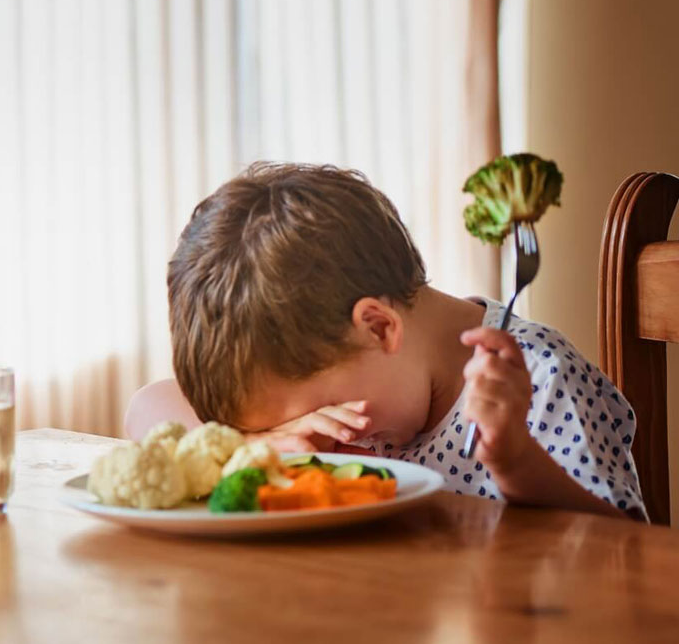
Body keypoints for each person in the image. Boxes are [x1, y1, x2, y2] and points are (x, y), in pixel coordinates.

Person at [128, 162, 644, 519]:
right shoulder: (348, 366)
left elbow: (625, 554)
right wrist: (253, 445)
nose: (305, 434)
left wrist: (516, 463)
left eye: (316, 412)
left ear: (378, 327)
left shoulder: (537, 381)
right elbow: (147, 406)